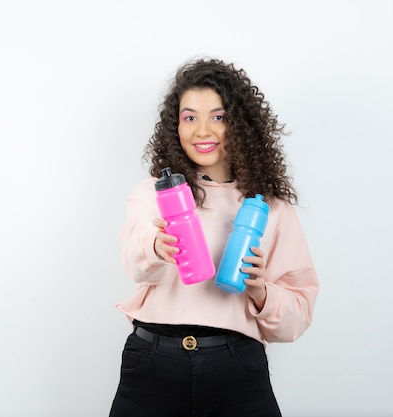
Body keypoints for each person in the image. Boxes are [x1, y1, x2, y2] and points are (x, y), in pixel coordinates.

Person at [108, 57, 320, 417]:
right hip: (154, 364)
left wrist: (261, 291)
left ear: (239, 125)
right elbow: (134, 261)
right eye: (190, 117)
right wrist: (157, 246)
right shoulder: (156, 194)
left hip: (236, 369)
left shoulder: (270, 207)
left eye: (218, 117)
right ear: (175, 125)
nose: (202, 130)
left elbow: (297, 315)